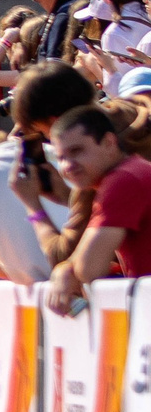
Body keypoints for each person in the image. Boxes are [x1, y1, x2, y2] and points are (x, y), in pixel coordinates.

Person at [0, 61, 96, 287]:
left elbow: (61, 255)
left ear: (53, 121)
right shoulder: (117, 149)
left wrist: (32, 205)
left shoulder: (100, 167)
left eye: (39, 130)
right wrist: (67, 196)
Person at [43, 105, 151, 315]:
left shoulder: (123, 180)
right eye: (61, 157)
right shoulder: (132, 171)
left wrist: (67, 269)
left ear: (109, 142)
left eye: (77, 151)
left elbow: (89, 268)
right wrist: (66, 268)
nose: (67, 166)